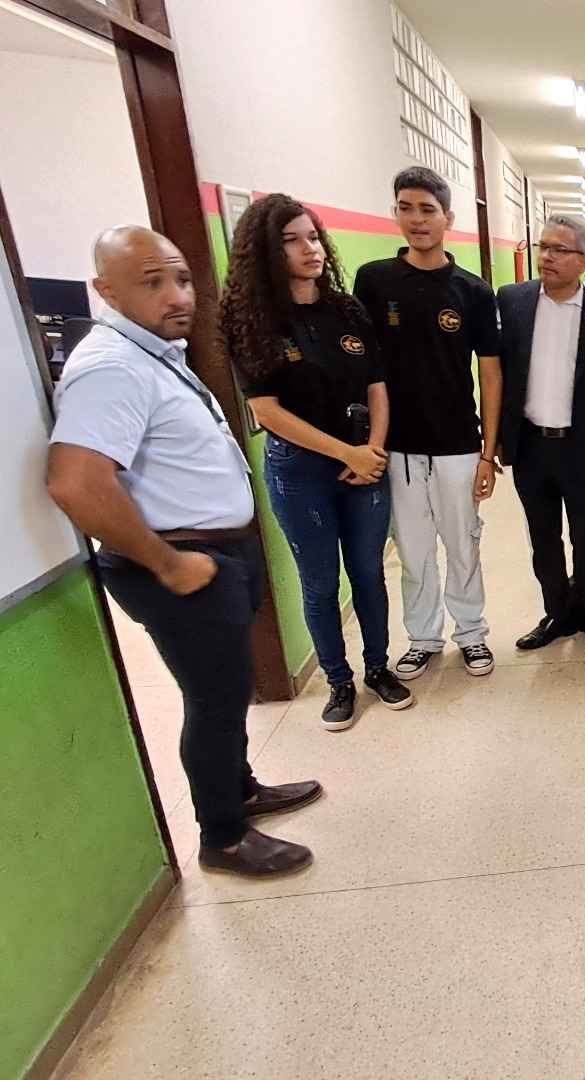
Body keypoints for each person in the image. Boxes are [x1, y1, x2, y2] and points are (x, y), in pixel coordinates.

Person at [47, 226, 320, 876]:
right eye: (153, 282)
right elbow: (76, 481)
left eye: (181, 278)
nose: (177, 296)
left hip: (217, 553)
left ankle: (242, 789)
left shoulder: (154, 355)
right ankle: (222, 836)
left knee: (229, 692)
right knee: (215, 702)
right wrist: (168, 564)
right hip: (178, 563)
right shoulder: (111, 367)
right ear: (105, 290)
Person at [219, 195, 412, 730]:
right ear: (265, 253)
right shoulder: (250, 321)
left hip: (364, 463)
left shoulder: (347, 311)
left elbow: (377, 386)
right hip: (301, 471)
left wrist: (371, 450)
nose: (311, 249)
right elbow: (266, 411)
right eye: (292, 240)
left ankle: (378, 667)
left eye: (312, 236)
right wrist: (343, 452)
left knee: (370, 574)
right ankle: (339, 680)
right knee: (320, 582)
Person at [354, 167, 503, 683]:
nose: (417, 220)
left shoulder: (473, 291)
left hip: (458, 443)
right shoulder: (373, 282)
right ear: (395, 214)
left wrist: (488, 451)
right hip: (396, 446)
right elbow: (367, 368)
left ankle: (472, 634)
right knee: (414, 552)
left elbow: (489, 369)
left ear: (448, 219)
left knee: (464, 545)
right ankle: (422, 638)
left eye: (427, 210)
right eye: (406, 208)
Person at [497, 215, 585, 651]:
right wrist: (496, 441)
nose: (547, 257)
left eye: (560, 250)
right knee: (543, 536)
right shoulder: (513, 301)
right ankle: (557, 611)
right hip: (532, 444)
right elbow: (498, 375)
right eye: (544, 247)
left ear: (584, 260)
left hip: (583, 449)